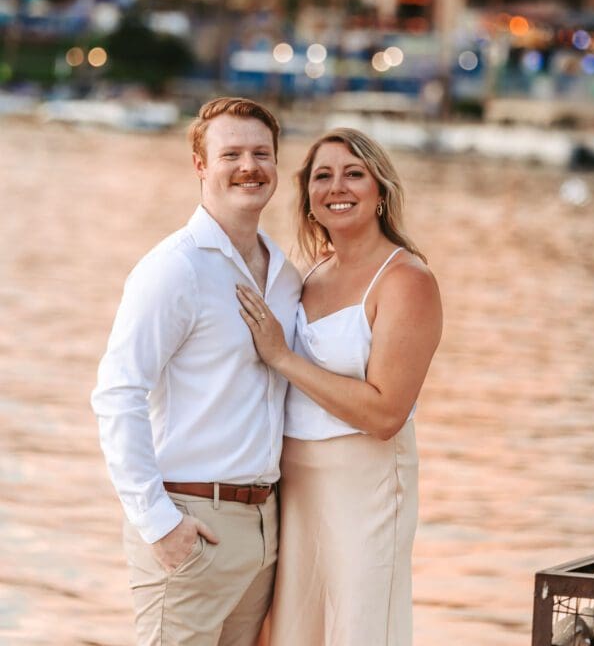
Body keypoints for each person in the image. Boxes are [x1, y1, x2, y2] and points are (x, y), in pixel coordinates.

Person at [92, 97, 301, 646]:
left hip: (263, 529)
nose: (249, 166)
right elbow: (117, 394)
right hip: (190, 521)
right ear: (200, 165)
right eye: (231, 153)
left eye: (261, 153)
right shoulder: (173, 268)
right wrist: (159, 524)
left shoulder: (283, 273)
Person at [236, 127, 442, 646]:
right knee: (290, 630)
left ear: (380, 192)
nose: (337, 187)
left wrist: (282, 356)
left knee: (359, 626)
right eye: (322, 177)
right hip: (296, 484)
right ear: (307, 197)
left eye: (354, 173)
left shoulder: (406, 281)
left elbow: (384, 414)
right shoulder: (310, 274)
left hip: (365, 484)